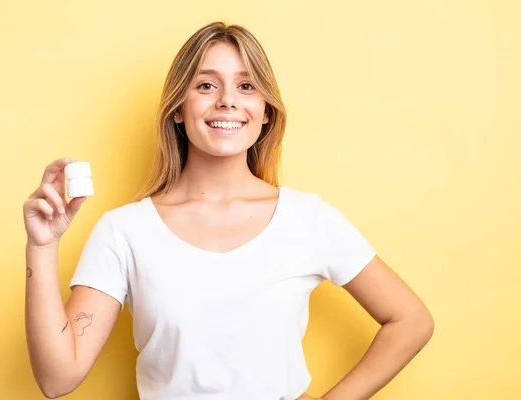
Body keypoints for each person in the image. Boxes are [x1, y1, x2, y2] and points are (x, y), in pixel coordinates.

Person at [23, 21, 434, 400]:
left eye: (246, 86)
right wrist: (42, 247)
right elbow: (58, 379)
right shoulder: (124, 230)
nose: (226, 101)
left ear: (266, 111)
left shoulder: (309, 219)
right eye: (205, 85)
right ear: (178, 110)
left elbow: (411, 321)